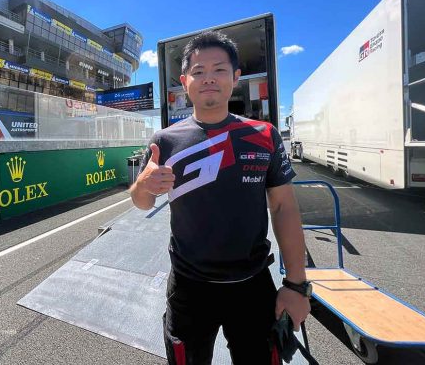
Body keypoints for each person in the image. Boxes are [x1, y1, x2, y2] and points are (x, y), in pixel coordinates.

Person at [130, 31, 311, 364]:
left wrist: (297, 285)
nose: (208, 78)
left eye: (219, 70)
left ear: (235, 77)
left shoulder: (264, 135)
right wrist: (142, 185)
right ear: (185, 82)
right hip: (188, 288)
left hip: (253, 285)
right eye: (198, 71)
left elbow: (284, 207)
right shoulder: (164, 141)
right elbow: (142, 202)